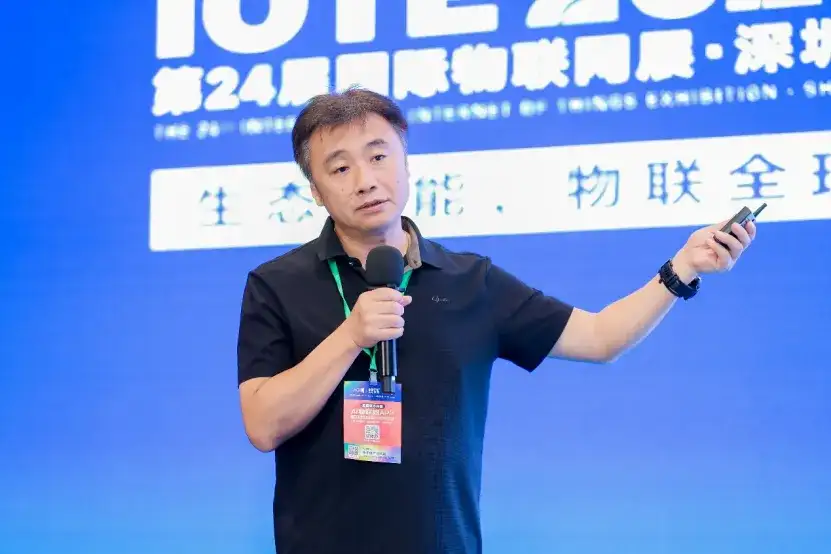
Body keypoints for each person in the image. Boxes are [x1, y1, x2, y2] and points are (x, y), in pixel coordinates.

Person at [236, 88, 757, 554]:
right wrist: (351, 336)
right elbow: (262, 425)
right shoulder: (277, 284)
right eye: (340, 168)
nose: (366, 181)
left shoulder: (472, 281)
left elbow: (601, 337)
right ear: (315, 190)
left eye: (378, 156)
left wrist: (681, 269)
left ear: (406, 163)